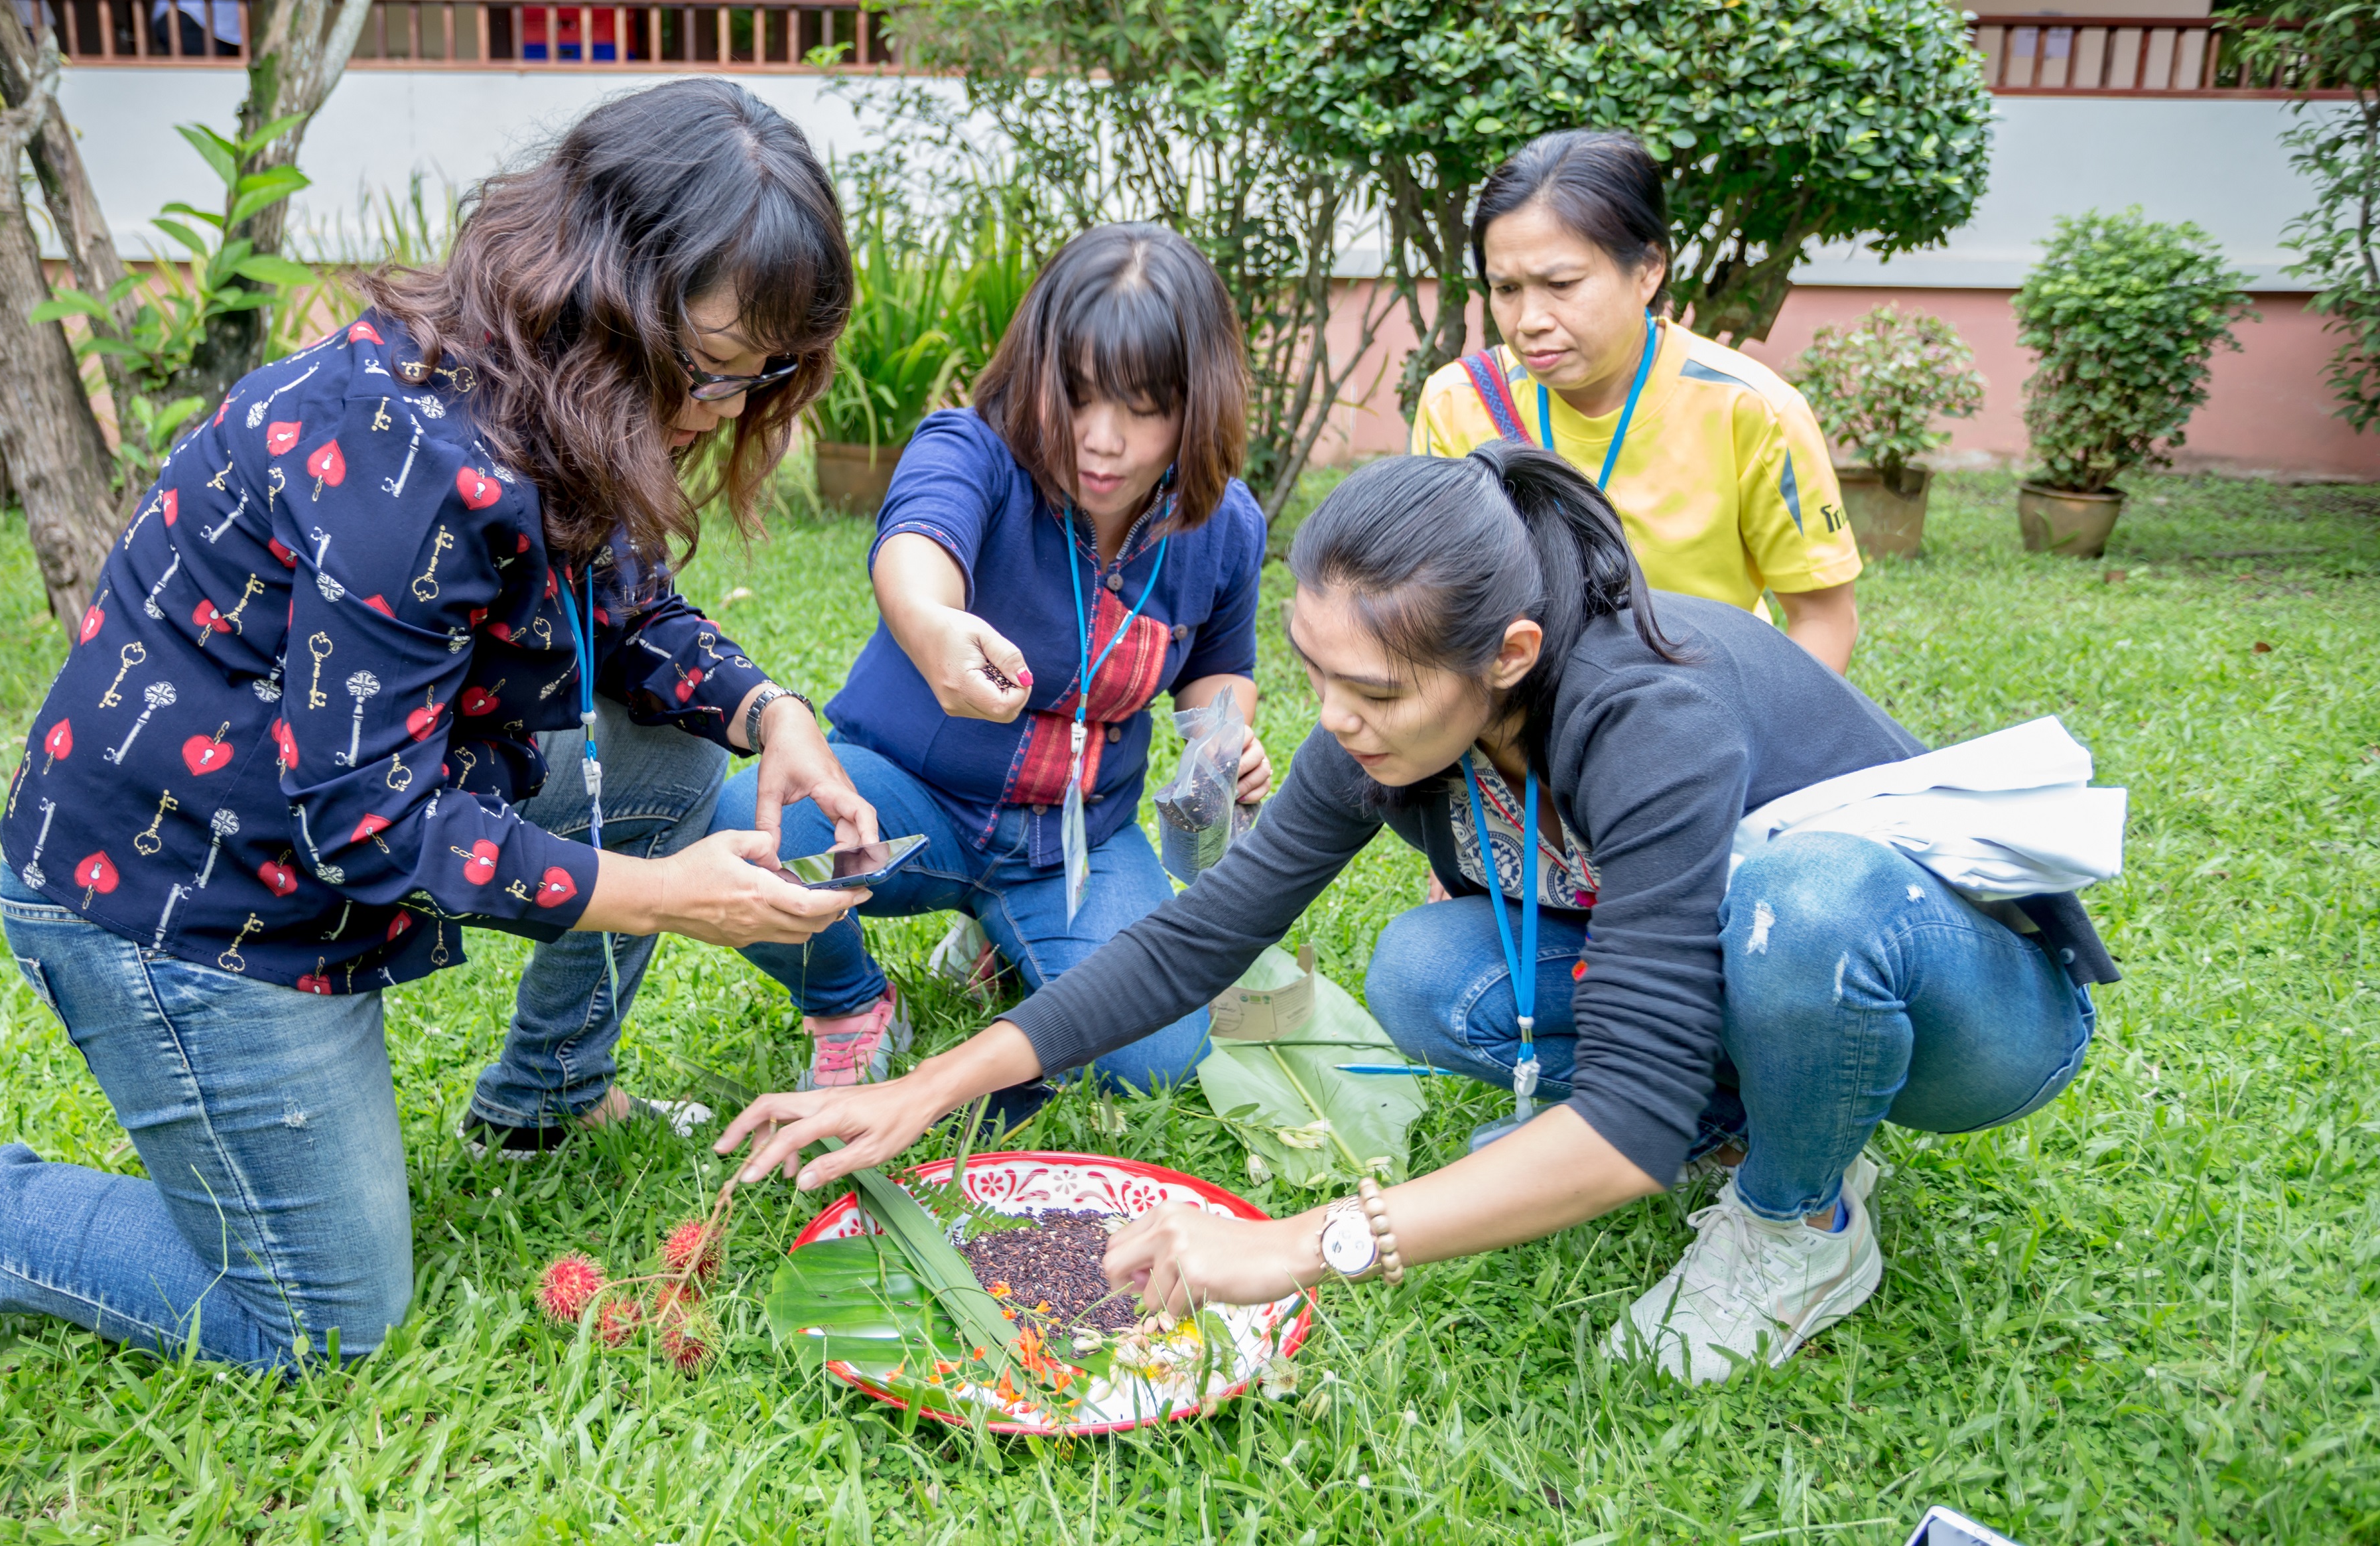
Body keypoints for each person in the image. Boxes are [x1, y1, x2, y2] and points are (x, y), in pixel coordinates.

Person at [0, 79, 881, 1387]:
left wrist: (773, 713)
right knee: (320, 1319)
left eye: (762, 379)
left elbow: (625, 611)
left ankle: (547, 1101)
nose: (723, 411)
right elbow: (371, 826)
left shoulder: (543, 390)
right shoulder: (415, 453)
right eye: (708, 371)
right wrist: (666, 898)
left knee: (668, 757)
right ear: (599, 296)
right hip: (181, 892)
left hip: (307, 820)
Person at [717, 443, 2114, 1384]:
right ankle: (1744, 1114)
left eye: (1374, 694)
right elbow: (1203, 933)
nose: (1335, 722)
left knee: (1800, 912)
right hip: (1741, 976)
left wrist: (1292, 1244)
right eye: (1315, 674)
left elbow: (1623, 1120)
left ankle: (1797, 1221)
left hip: (1970, 1012)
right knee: (1429, 969)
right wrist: (934, 1085)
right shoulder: (1389, 718)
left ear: (1509, 655)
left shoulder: (1650, 716)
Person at [710, 223, 1270, 1093]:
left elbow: (1220, 668)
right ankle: (851, 1001)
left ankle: (1007, 936)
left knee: (1152, 1060)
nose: (1103, 440)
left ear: (1199, 405)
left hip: (1077, 843)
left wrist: (1222, 739)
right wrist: (934, 623)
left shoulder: (1225, 526)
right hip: (905, 809)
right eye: (1077, 397)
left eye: (1145, 408)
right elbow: (917, 543)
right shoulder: (972, 449)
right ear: (1037, 373)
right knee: (748, 836)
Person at [1410, 130, 1863, 675]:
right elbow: (1440, 605)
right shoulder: (1457, 404)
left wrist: (1760, 722)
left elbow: (1824, 617)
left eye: (1562, 283)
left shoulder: (1752, 410)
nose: (1529, 321)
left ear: (1648, 270)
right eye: (1506, 289)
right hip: (1528, 703)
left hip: (1703, 697)